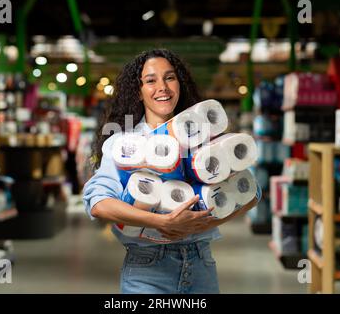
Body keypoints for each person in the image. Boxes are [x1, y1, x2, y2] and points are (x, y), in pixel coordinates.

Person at [83, 48, 260, 294]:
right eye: (150, 80)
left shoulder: (205, 140)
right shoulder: (126, 145)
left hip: (202, 265)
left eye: (170, 77)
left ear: (180, 83)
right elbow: (98, 203)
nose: (162, 87)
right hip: (148, 268)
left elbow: (251, 193)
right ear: (139, 91)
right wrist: (162, 221)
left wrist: (202, 224)